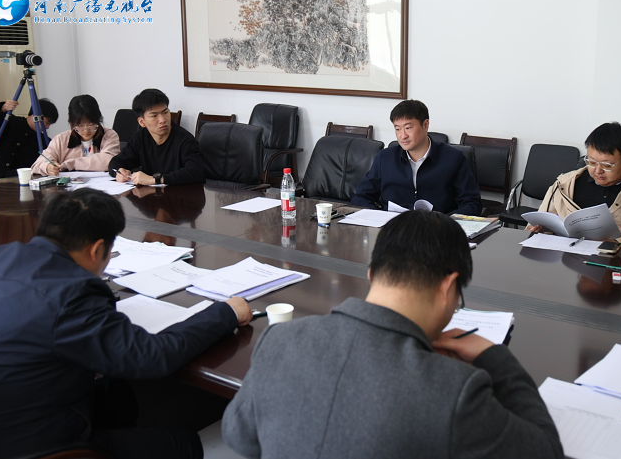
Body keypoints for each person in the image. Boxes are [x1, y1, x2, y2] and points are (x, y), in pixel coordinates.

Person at [222, 210, 563, 459]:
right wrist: (494, 356)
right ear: (448, 287)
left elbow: (239, 436)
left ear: (372, 274)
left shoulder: (280, 341)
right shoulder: (454, 390)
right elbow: (545, 450)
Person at [0, 189, 252, 459]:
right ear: (96, 249)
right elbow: (152, 356)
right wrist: (225, 313)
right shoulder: (72, 294)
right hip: (31, 446)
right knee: (182, 443)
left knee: (119, 393)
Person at [528, 122, 621, 253]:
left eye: (607, 165)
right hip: (570, 262)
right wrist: (536, 230)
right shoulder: (565, 184)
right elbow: (541, 223)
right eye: (591, 162)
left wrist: (619, 242)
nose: (597, 170)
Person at [351, 100, 482, 215]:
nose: (403, 136)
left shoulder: (453, 158)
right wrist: (380, 216)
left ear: (425, 125)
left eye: (408, 128)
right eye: (398, 129)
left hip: (437, 229)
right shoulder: (385, 158)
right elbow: (361, 197)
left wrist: (444, 221)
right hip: (393, 228)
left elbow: (472, 204)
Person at [108, 88, 205, 185]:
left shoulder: (185, 140)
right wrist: (118, 171)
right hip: (151, 192)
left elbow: (196, 172)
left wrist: (155, 179)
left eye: (165, 112)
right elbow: (117, 161)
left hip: (181, 193)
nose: (162, 120)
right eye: (154, 116)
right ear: (142, 122)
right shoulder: (141, 137)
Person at [30, 94, 119, 176]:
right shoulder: (61, 139)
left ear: (98, 120)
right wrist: (47, 167)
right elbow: (37, 165)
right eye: (80, 126)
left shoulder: (109, 135)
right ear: (72, 124)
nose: (86, 131)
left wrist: (70, 164)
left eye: (91, 125)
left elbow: (108, 161)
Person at [0, 98, 59, 179]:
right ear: (35, 115)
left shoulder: (44, 140)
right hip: (1, 177)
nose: (47, 127)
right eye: (46, 123)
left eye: (50, 124)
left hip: (26, 179)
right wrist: (3, 108)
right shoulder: (12, 123)